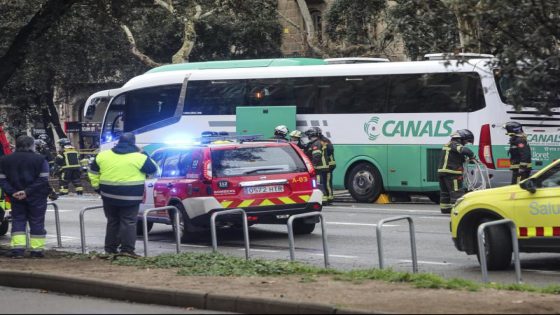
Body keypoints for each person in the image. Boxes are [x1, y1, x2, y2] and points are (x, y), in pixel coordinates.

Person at [88, 133, 157, 256]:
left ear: (118, 142)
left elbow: (93, 173)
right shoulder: (139, 157)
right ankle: (127, 250)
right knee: (129, 222)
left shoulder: (103, 155)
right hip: (131, 196)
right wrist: (144, 153)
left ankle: (110, 249)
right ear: (133, 143)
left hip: (108, 195)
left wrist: (97, 188)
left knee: (112, 221)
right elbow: (154, 170)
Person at [0, 135, 50, 258]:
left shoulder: (5, 160)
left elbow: (2, 179)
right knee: (37, 222)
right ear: (32, 145)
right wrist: (27, 192)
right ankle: (36, 251)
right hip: (37, 196)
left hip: (15, 197)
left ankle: (18, 250)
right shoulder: (40, 159)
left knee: (18, 221)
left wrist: (13, 192)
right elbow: (43, 179)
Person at [437, 129, 476, 214]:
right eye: (465, 141)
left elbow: (456, 157)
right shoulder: (455, 144)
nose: (465, 143)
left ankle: (445, 208)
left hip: (442, 172)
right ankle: (458, 211)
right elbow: (463, 150)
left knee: (445, 193)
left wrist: (467, 159)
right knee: (456, 192)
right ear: (460, 139)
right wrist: (473, 156)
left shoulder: (448, 145)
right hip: (452, 173)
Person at [305, 127, 329, 204]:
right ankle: (324, 198)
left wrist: (312, 166)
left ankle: (323, 200)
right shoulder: (318, 142)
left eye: (309, 135)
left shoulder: (316, 144)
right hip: (322, 167)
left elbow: (317, 156)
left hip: (319, 167)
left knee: (319, 184)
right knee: (321, 183)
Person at [320, 134, 336, 204]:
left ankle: (330, 197)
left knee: (327, 182)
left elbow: (329, 150)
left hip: (329, 165)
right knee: (326, 181)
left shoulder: (324, 141)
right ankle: (328, 197)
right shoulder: (325, 140)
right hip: (328, 165)